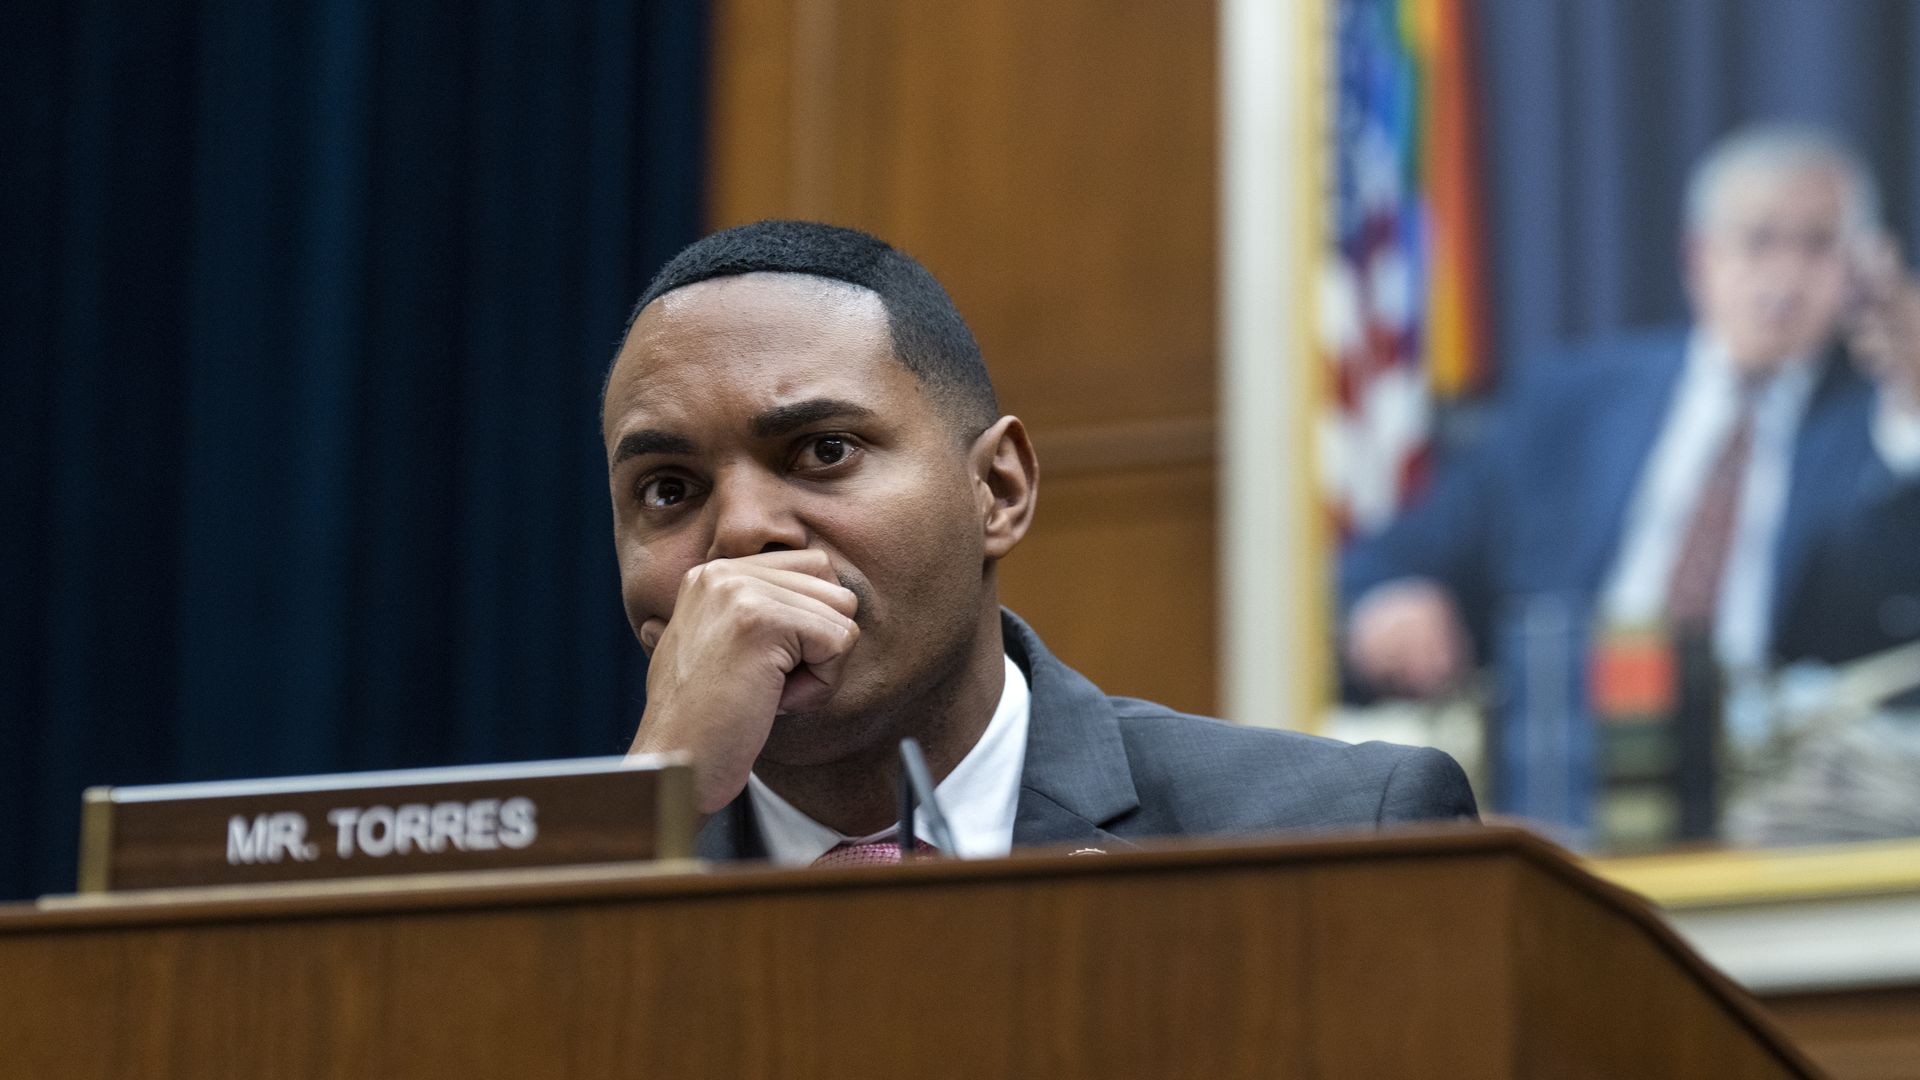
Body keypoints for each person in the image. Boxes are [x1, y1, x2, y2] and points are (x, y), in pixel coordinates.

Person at [602, 220, 1476, 866]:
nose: (744, 532)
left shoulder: (1341, 836)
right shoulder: (551, 872)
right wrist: (653, 803)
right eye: (669, 490)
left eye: (824, 451)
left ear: (999, 490)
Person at [1343, 124, 1920, 704]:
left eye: (1819, 245)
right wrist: (1391, 599)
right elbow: (1396, 553)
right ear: (1699, 257)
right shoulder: (1571, 401)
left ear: (1862, 269)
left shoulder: (1885, 418)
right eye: (1758, 240)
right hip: (1570, 735)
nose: (1785, 277)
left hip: (1779, 759)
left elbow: (1889, 582)